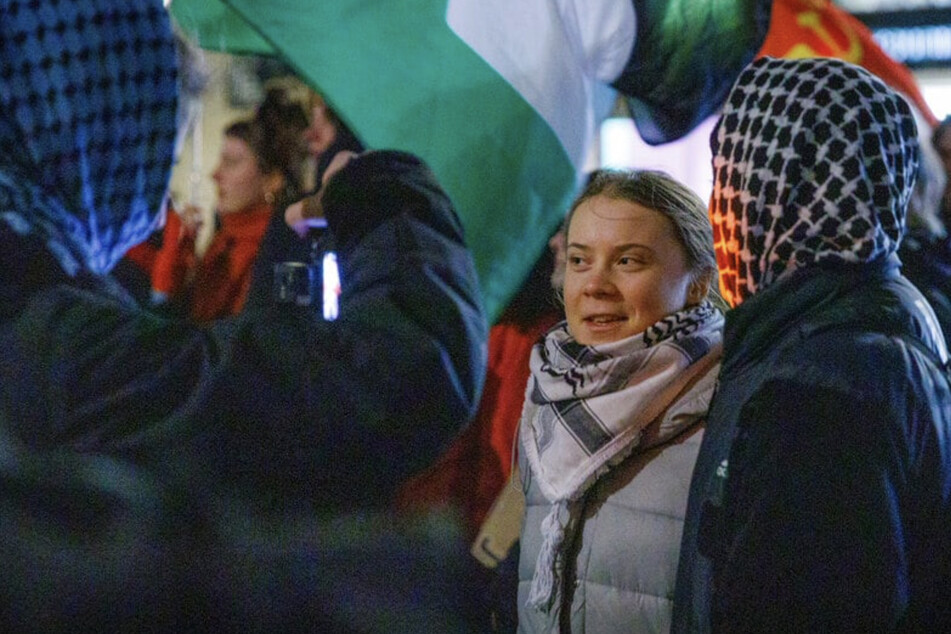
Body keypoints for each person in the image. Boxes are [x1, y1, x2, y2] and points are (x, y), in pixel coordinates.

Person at [0, 0, 487, 630]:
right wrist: (390, 197)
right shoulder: (44, 341)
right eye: (154, 147)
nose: (153, 204)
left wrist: (287, 257)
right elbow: (385, 383)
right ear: (80, 129)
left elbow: (233, 398)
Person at [673, 56, 951, 632]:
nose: (719, 199)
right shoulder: (877, 322)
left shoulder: (819, 386)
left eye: (730, 173)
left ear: (781, 188)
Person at [517, 169, 726, 632]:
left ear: (697, 283)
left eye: (628, 262)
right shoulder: (546, 394)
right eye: (579, 260)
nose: (595, 285)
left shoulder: (728, 408)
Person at [149, 86, 309, 321]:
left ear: (272, 180)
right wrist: (179, 257)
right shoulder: (227, 237)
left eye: (232, 162)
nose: (215, 174)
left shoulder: (281, 251)